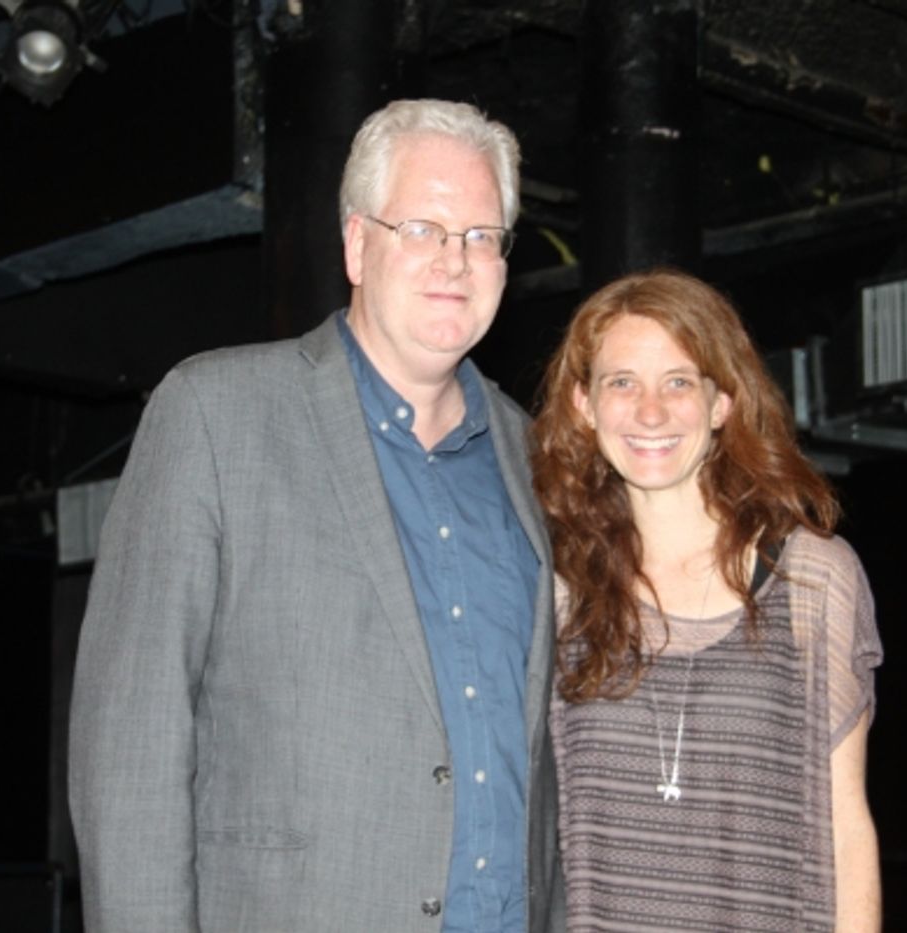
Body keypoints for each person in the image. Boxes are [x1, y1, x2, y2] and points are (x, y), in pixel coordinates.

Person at [68, 99, 564, 933]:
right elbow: (129, 743)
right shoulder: (215, 413)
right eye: (422, 227)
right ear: (356, 244)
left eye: (482, 235)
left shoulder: (534, 456)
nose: (456, 259)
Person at [530, 268, 883, 932]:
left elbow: (848, 822)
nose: (651, 411)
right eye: (622, 382)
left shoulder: (811, 578)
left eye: (679, 381)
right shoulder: (554, 590)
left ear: (721, 402)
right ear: (584, 405)